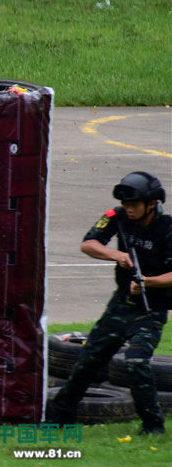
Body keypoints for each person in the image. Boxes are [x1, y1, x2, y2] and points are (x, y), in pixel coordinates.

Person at [47, 172, 172, 435]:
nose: (128, 209)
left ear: (151, 203)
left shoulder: (168, 228)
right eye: (125, 204)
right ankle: (59, 417)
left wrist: (148, 282)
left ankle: (153, 427)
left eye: (134, 204)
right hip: (120, 306)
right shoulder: (117, 216)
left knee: (136, 363)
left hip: (149, 311)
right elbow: (89, 244)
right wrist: (117, 255)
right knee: (88, 360)